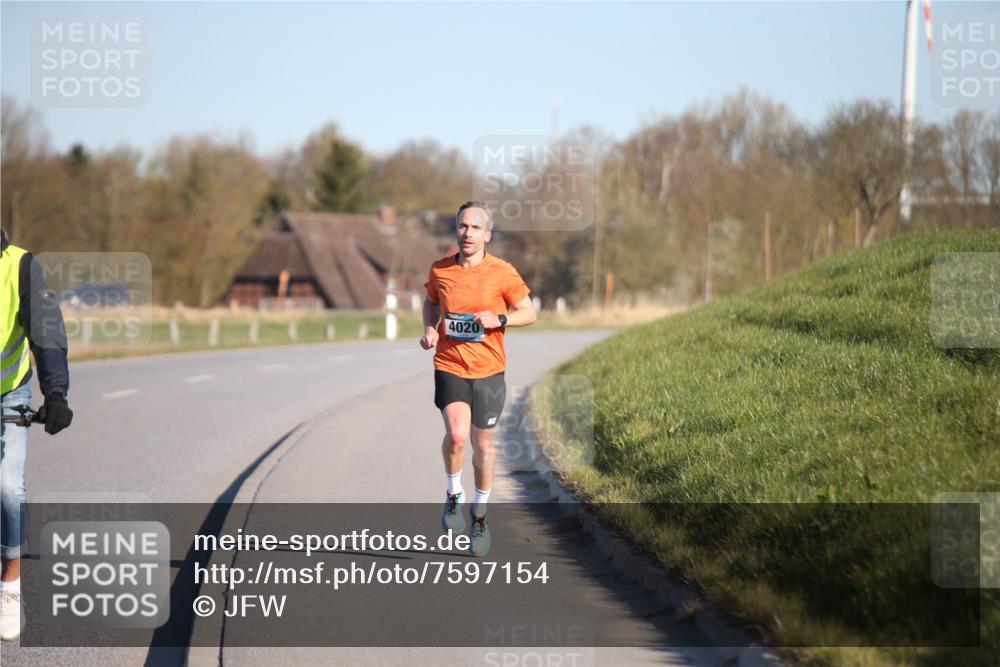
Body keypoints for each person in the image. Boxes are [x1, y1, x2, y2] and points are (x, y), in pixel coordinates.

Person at [419, 202, 536, 556]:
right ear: (456, 230)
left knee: (483, 447)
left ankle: (480, 515)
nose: (467, 233)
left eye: (475, 227)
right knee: (457, 435)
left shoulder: (502, 272)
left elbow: (529, 312)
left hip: (489, 370)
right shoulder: (441, 270)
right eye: (462, 226)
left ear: (487, 235)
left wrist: (500, 320)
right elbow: (431, 302)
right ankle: (454, 492)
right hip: (450, 364)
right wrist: (431, 328)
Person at [1, 229, 73, 641]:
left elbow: (45, 333)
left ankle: (10, 583)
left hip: (8, 392)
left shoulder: (19, 265)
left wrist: (56, 393)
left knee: (8, 488)